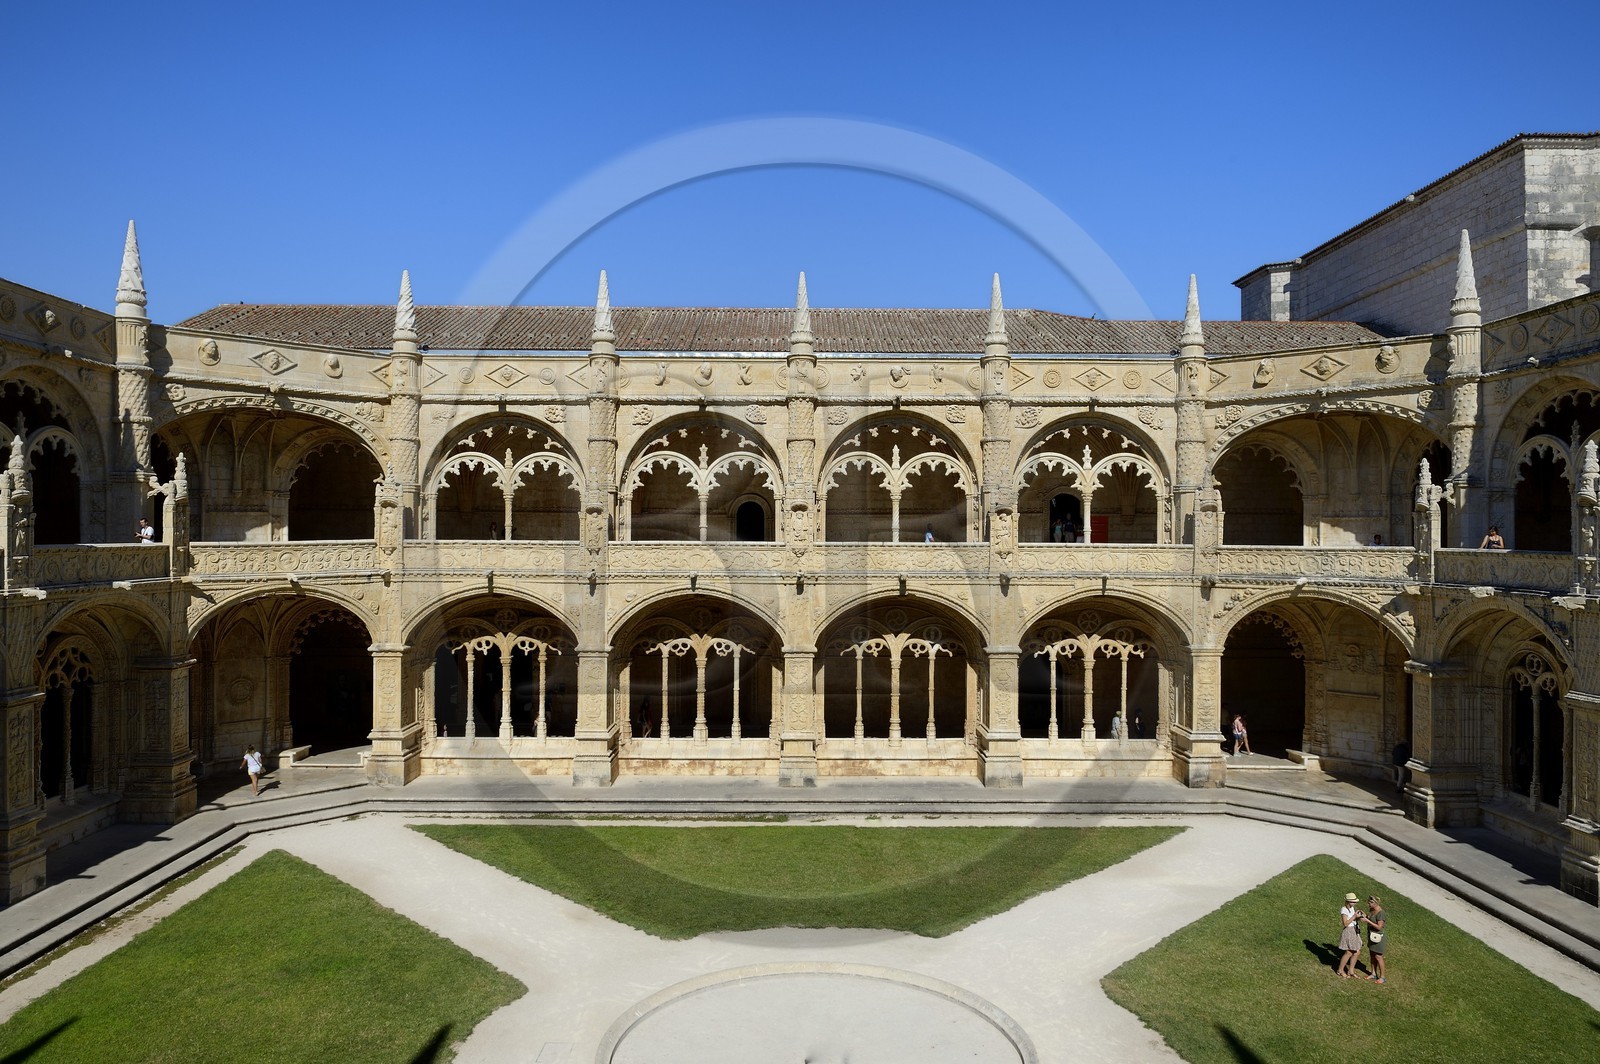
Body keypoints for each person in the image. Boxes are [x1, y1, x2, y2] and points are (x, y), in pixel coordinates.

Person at [1359, 895, 1387, 984]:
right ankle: (1373, 974)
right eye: (1368, 902)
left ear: (1376, 903)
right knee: (1372, 955)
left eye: (1370, 903)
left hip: (1378, 937)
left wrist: (1367, 921)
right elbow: (1370, 917)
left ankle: (1382, 977)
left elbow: (1379, 927)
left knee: (1378, 957)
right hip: (1371, 936)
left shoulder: (1381, 913)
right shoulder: (1372, 910)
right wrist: (1365, 915)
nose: (1368, 904)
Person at [1337, 892, 1363, 977]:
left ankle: (1351, 971)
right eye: (1353, 901)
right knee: (1349, 952)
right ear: (1348, 901)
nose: (1355, 903)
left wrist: (1358, 917)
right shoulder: (1344, 909)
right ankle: (1340, 970)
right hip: (1349, 931)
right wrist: (1354, 917)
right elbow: (1345, 923)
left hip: (1354, 930)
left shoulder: (1352, 908)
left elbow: (1353, 920)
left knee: (1357, 952)